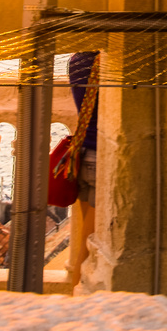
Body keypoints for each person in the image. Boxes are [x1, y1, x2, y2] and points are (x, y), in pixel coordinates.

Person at [68, 51, 99, 289]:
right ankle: (76, 293)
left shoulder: (76, 61)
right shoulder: (106, 64)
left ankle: (74, 288)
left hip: (83, 156)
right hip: (101, 161)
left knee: (83, 240)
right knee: (88, 249)